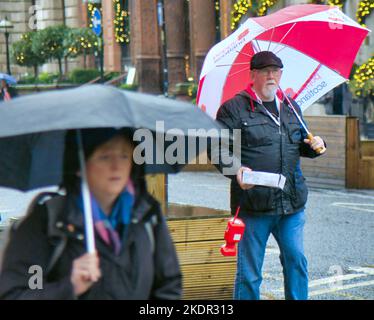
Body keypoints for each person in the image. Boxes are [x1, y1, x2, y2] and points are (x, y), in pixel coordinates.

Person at [0, 128, 182, 299]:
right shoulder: (47, 221)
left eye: (125, 155)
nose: (116, 165)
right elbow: (17, 293)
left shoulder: (147, 214)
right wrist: (69, 287)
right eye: (104, 156)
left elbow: (169, 284)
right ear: (79, 165)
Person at [214, 51, 326, 300]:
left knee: (296, 261)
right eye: (265, 71)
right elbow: (217, 147)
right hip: (253, 206)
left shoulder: (291, 107)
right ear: (253, 74)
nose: (271, 76)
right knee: (250, 273)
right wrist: (236, 169)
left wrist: (316, 145)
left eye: (276, 71)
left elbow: (299, 143)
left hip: (291, 204)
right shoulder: (234, 108)